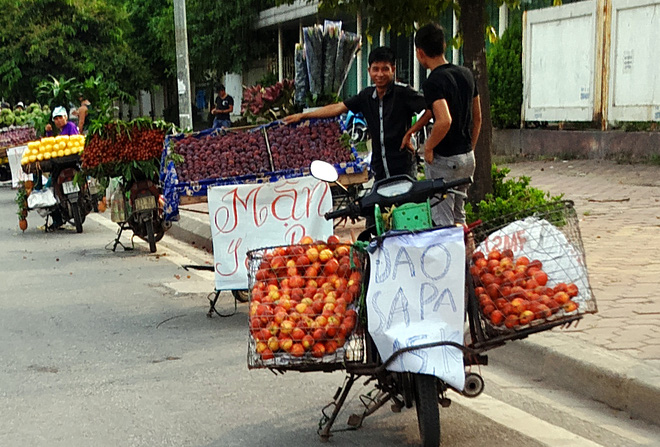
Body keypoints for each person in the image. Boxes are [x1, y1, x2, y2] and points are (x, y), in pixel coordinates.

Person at [284, 46, 426, 182]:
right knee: (382, 206)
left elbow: (431, 109)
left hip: (403, 167)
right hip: (379, 168)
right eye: (375, 69)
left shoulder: (403, 93)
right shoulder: (366, 96)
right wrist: (303, 116)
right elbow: (338, 108)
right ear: (369, 70)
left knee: (405, 206)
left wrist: (410, 133)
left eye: (385, 69)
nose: (380, 74)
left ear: (393, 70)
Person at [406, 23, 482, 227]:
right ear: (444, 45)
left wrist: (428, 147)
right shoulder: (466, 74)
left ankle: (453, 259)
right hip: (467, 159)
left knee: (444, 222)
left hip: (445, 162)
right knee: (460, 217)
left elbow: (444, 120)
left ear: (420, 52)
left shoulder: (433, 82)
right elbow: (477, 118)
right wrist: (469, 148)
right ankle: (468, 258)